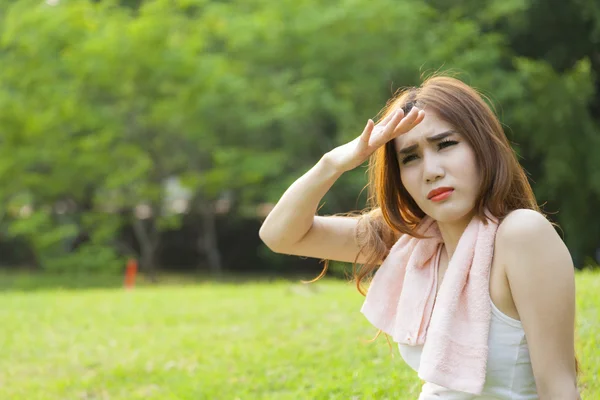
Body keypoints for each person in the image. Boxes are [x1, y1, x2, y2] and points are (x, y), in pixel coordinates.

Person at [259, 75, 580, 399]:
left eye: (445, 144)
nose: (431, 170)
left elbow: (559, 387)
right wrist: (334, 163)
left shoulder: (521, 235)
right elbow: (279, 236)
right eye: (410, 157)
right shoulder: (410, 242)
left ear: (483, 146)